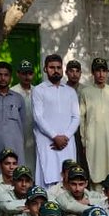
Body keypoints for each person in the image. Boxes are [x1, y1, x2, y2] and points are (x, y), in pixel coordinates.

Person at [33, 54, 81, 187]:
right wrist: (54, 136)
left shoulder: (70, 92)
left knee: (69, 176)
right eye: (52, 67)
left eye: (58, 67)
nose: (55, 70)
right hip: (47, 141)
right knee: (49, 175)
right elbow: (38, 117)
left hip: (67, 142)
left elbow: (76, 117)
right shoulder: (39, 90)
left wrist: (65, 137)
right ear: (45, 69)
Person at [79, 58, 109, 185]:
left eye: (104, 71)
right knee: (96, 171)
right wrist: (83, 141)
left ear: (107, 73)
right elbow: (82, 119)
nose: (101, 74)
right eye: (98, 71)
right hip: (93, 138)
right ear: (93, 73)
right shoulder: (85, 92)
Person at [10, 60, 37, 171]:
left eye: (30, 73)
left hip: (34, 133)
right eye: (24, 73)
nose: (27, 77)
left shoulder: (37, 91)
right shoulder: (12, 92)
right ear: (18, 74)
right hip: (18, 133)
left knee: (34, 162)